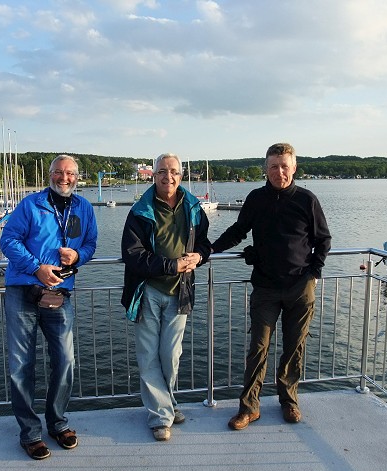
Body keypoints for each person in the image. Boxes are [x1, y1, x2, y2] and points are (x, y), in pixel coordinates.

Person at [211, 143, 331, 429]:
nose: (279, 172)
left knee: (294, 347)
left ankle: (289, 401)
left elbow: (323, 239)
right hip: (265, 287)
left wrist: (313, 274)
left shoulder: (307, 200)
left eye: (284, 166)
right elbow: (238, 231)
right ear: (266, 169)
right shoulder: (256, 199)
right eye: (274, 166)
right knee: (258, 348)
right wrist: (209, 250)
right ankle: (249, 408)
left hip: (300, 287)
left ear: (294, 168)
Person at [0, 154, 98, 460]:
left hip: (59, 295)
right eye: (58, 172)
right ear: (50, 174)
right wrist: (36, 268)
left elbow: (91, 244)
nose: (64, 178)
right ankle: (30, 433)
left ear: (77, 177)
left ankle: (57, 423)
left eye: (70, 173)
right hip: (23, 291)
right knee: (21, 366)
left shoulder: (84, 208)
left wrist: (78, 256)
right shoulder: (31, 204)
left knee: (65, 361)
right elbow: (8, 240)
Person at [121, 153, 211, 441]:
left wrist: (200, 256)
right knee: (148, 356)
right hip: (147, 291)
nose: (167, 177)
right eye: (162, 171)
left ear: (180, 176)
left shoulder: (193, 208)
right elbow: (132, 254)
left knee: (170, 356)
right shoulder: (140, 210)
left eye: (173, 171)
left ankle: (167, 403)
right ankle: (160, 416)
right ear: (154, 175)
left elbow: (204, 243)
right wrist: (171, 265)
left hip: (179, 292)